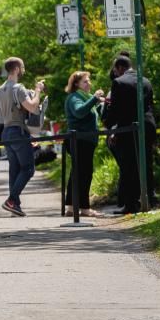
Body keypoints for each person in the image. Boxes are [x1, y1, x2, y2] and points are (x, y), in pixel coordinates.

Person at [101, 55, 157, 214]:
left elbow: (116, 109)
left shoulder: (118, 83)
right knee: (146, 163)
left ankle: (130, 204)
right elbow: (150, 106)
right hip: (147, 125)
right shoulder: (145, 80)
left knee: (128, 166)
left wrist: (109, 124)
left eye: (115, 70)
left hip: (127, 129)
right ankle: (149, 199)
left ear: (119, 68)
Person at [0, 57, 45, 217]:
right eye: (22, 67)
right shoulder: (18, 88)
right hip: (18, 132)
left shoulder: (1, 90)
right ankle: (11, 200)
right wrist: (37, 90)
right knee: (28, 169)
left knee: (14, 170)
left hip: (6, 132)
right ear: (15, 69)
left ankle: (15, 205)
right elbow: (32, 106)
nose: (23, 70)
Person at [63, 71, 105, 217]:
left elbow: (88, 114)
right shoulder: (75, 97)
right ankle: (85, 209)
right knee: (84, 174)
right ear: (76, 84)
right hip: (80, 141)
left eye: (89, 81)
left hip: (84, 141)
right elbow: (79, 112)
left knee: (77, 173)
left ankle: (70, 207)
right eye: (85, 81)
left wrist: (97, 103)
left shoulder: (84, 97)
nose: (89, 83)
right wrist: (94, 99)